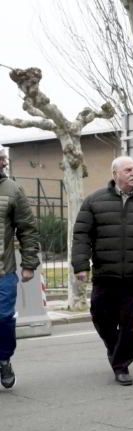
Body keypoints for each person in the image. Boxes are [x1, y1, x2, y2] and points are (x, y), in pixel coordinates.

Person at [72, 156, 133, 386]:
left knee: (131, 322)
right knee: (101, 317)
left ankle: (121, 365)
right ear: (115, 173)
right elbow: (81, 235)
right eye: (128, 170)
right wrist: (81, 265)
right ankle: (116, 349)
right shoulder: (94, 201)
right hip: (106, 274)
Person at [0, 144, 40, 389]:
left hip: (3, 272)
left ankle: (3, 358)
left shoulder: (13, 190)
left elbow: (28, 229)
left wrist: (28, 264)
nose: (2, 162)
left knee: (3, 319)